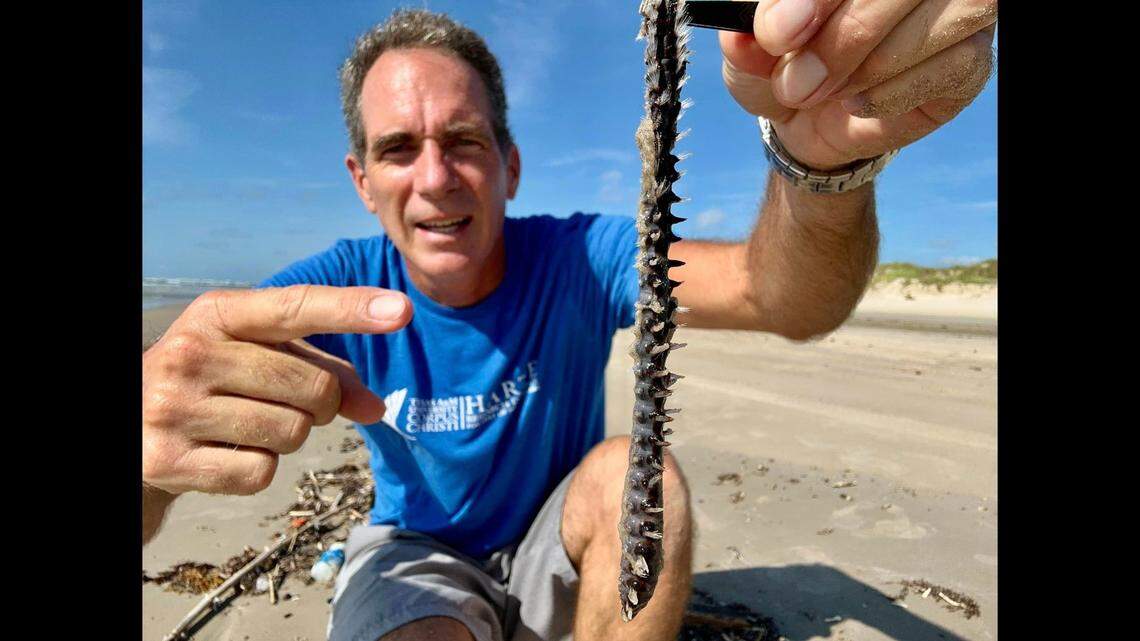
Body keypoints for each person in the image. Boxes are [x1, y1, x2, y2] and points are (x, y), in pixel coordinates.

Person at [142, 3, 996, 641]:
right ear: (362, 181)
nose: (435, 177)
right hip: (415, 550)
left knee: (639, 476)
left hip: (563, 542)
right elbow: (185, 405)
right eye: (398, 148)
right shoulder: (331, 290)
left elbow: (784, 297)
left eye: (464, 140)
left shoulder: (582, 256)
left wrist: (822, 165)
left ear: (510, 167)